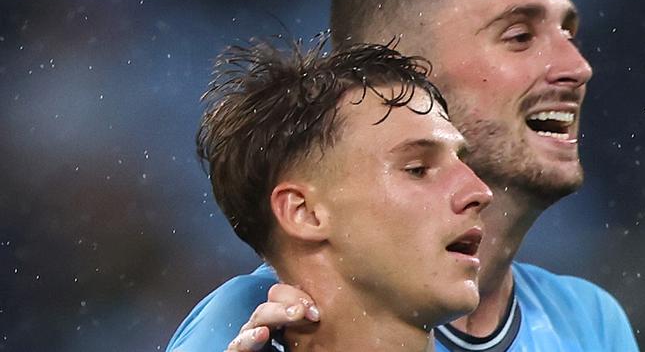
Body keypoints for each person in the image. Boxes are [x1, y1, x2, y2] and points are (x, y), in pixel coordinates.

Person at [168, 0, 640, 351]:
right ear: (409, 72)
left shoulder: (588, 319)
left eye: (568, 34)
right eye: (520, 37)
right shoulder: (256, 323)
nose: (577, 67)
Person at [172, 38, 493, 351]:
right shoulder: (228, 317)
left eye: (462, 163)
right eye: (417, 169)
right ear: (304, 212)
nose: (479, 192)